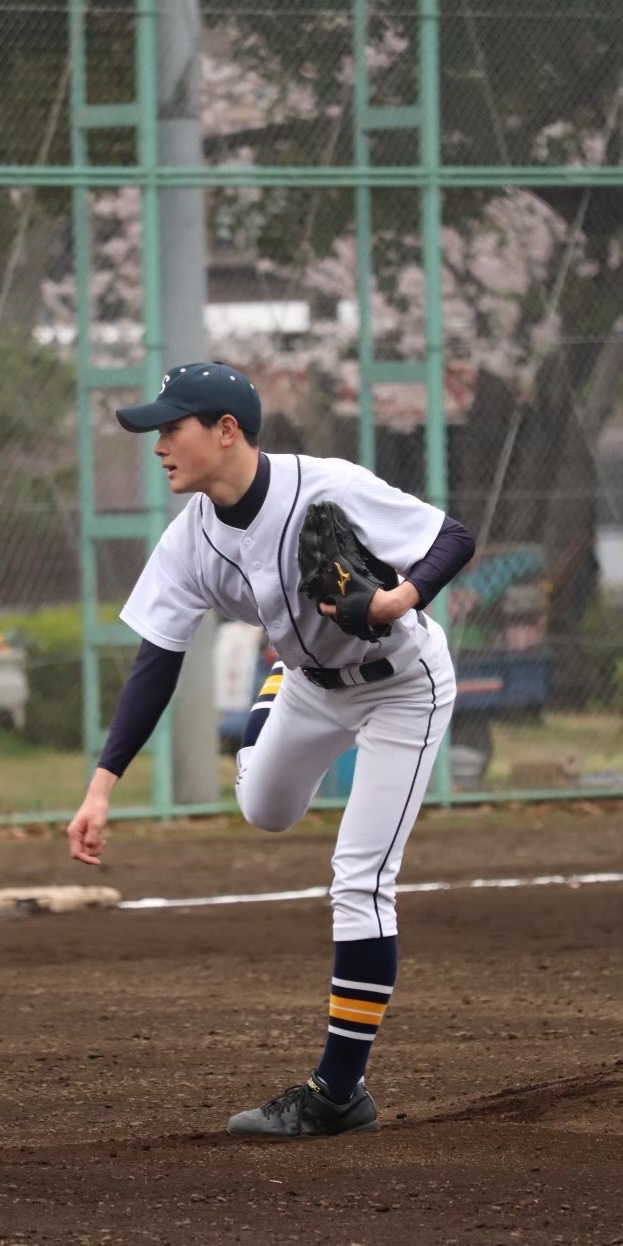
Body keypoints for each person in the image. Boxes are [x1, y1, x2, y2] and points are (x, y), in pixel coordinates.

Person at [67, 361, 475, 1139]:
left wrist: (393, 597)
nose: (158, 444)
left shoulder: (324, 486)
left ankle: (338, 1093)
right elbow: (157, 659)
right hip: (312, 685)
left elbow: (452, 537)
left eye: (171, 426)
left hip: (403, 687)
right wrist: (101, 785)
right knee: (263, 809)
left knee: (360, 879)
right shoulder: (189, 542)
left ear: (226, 431)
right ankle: (274, 686)